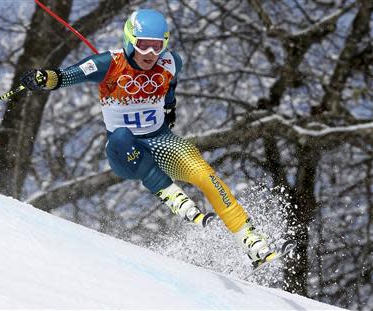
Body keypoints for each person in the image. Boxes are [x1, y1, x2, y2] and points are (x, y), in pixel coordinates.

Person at [20, 9, 274, 265]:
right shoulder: (108, 64)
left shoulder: (171, 63)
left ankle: (249, 237)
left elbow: (170, 86)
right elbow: (65, 76)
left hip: (161, 141)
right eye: (143, 46)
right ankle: (168, 192)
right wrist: (43, 78)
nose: (150, 55)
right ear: (130, 41)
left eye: (157, 47)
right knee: (121, 136)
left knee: (204, 175)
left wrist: (169, 107)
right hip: (125, 153)